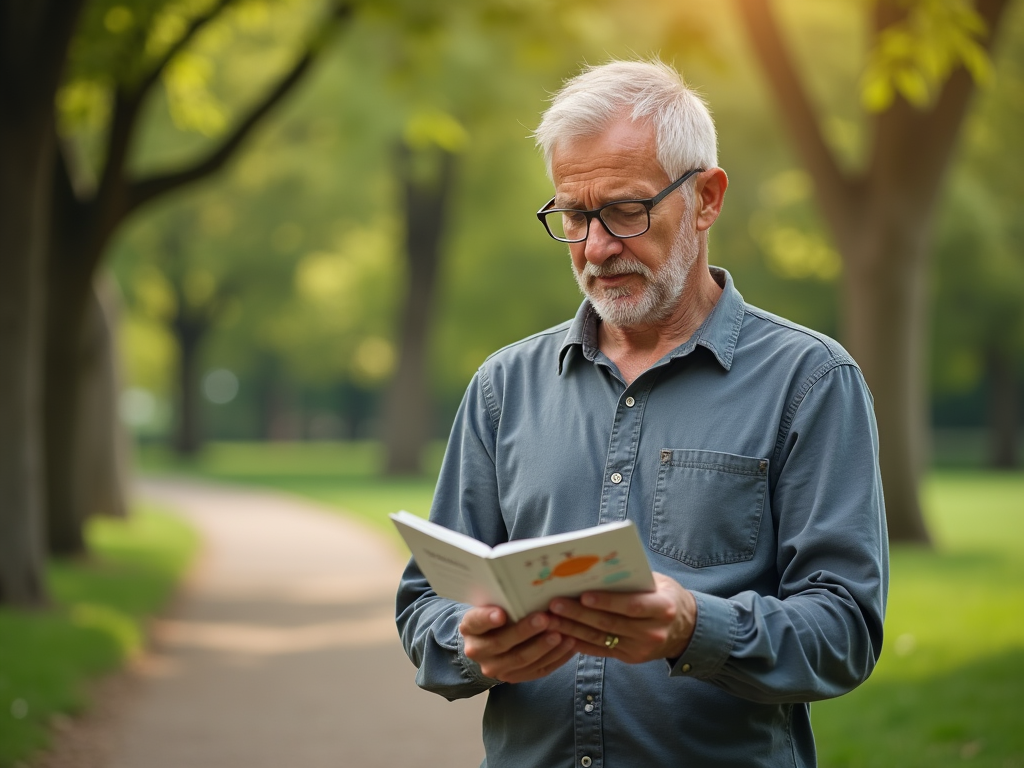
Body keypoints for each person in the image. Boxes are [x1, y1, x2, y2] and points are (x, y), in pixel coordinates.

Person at [396, 59, 888, 768]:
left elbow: (844, 632)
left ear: (707, 198)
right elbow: (424, 603)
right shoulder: (505, 385)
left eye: (626, 210)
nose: (596, 247)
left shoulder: (809, 380)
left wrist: (697, 626)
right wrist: (470, 641)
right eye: (573, 215)